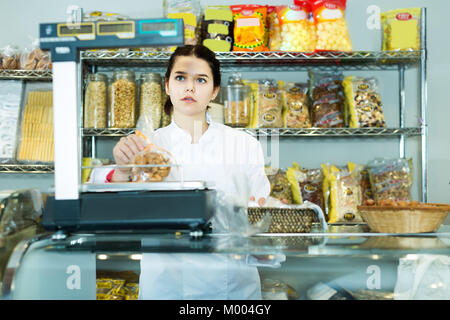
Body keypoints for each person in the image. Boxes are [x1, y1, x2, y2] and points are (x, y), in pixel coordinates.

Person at [90, 45, 272, 300]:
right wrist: (121, 170)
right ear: (167, 85)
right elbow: (106, 209)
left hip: (231, 289)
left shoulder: (244, 145)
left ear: (214, 91)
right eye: (180, 78)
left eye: (200, 80)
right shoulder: (145, 146)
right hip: (166, 286)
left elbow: (261, 219)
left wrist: (262, 242)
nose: (189, 88)